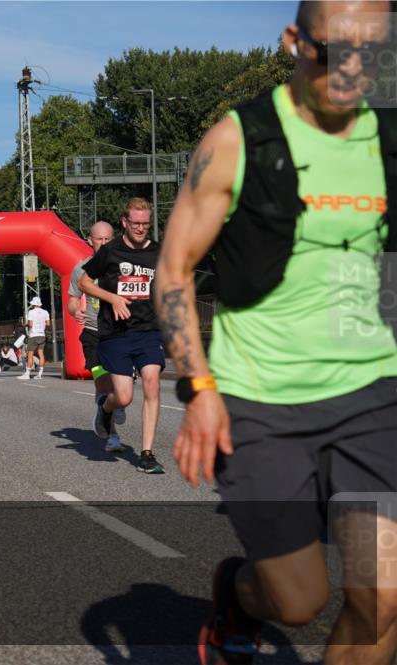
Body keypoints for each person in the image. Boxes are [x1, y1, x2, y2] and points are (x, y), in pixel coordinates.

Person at [155, 3, 397, 663]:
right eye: (333, 52)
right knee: (298, 600)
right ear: (294, 42)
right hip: (258, 399)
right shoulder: (238, 140)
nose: (353, 72)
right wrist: (199, 386)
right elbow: (173, 270)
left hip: (371, 392)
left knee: (383, 596)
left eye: (373, 54)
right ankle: (239, 591)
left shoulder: (387, 137)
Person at [79, 197, 165, 474]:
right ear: (124, 223)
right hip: (116, 333)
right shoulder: (110, 252)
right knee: (124, 397)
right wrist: (112, 298)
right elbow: (84, 282)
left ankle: (147, 454)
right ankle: (106, 409)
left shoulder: (158, 252)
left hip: (149, 329)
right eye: (135, 224)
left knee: (152, 384)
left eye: (145, 224)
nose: (140, 229)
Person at [68, 221, 125, 453]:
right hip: (94, 333)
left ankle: (117, 402)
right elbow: (72, 300)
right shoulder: (81, 269)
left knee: (122, 390)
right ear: (89, 240)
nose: (102, 244)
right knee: (102, 383)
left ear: (114, 239)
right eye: (98, 239)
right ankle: (112, 434)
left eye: (107, 239)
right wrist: (75, 310)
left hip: (121, 333)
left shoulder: (123, 266)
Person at [18, 296, 51, 379]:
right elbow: (48, 324)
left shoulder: (31, 312)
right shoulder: (45, 312)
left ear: (33, 304)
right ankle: (40, 374)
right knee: (41, 354)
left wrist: (25, 325)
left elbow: (30, 324)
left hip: (33, 335)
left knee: (30, 354)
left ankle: (27, 374)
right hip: (42, 335)